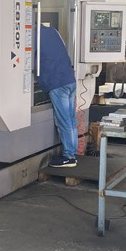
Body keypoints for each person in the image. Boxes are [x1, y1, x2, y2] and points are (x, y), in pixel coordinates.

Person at [36, 25, 78, 168]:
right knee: (71, 120)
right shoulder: (53, 31)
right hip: (70, 80)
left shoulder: (32, 35)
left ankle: (69, 157)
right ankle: (73, 153)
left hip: (57, 83)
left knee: (64, 122)